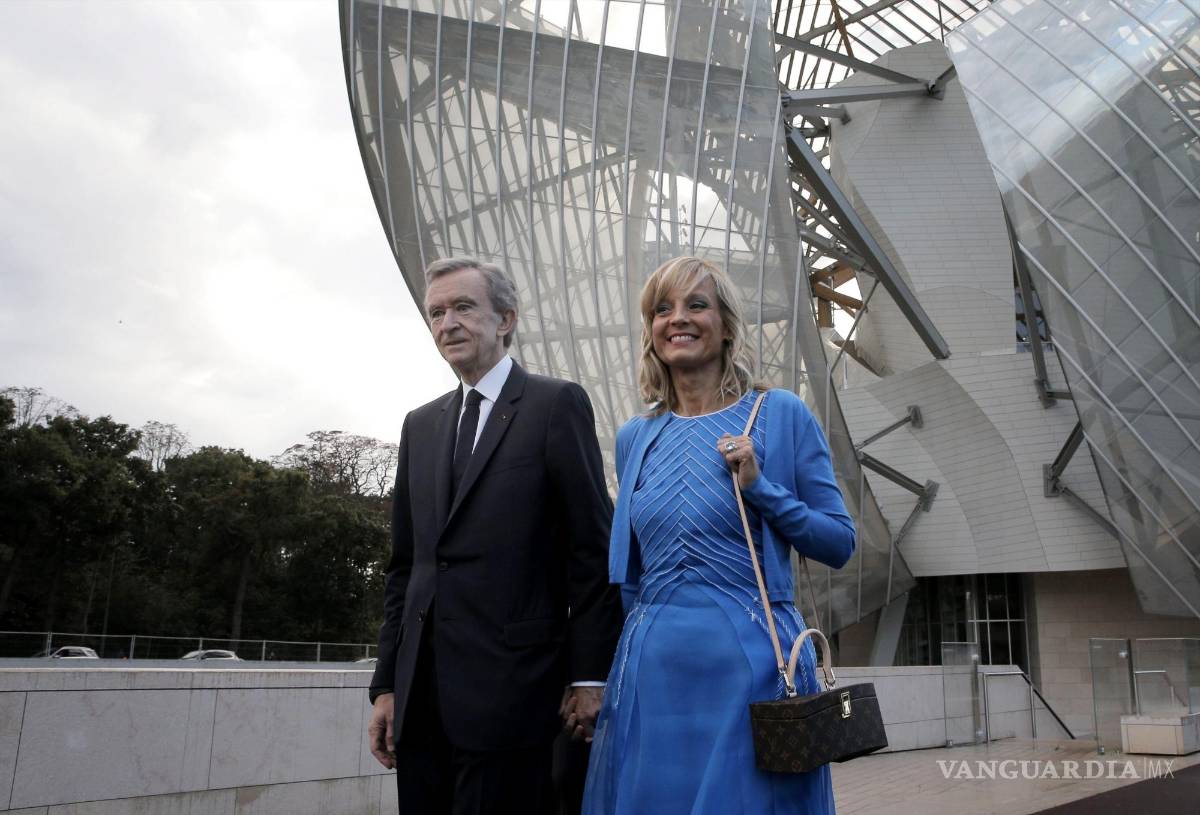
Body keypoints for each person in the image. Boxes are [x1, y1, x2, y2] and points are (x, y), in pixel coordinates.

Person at [581, 256, 856, 815]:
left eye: (695, 305)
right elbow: (629, 573)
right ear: (651, 331)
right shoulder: (636, 436)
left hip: (753, 667)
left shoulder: (778, 413)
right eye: (662, 309)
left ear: (726, 324)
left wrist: (761, 488)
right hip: (653, 671)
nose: (677, 319)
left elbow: (838, 541)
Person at [366, 257, 624, 815]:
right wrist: (386, 686)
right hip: (422, 701)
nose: (447, 323)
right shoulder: (421, 425)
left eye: (463, 307)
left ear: (506, 319)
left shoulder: (556, 405)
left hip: (516, 697)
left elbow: (593, 553)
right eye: (436, 313)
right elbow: (406, 567)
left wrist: (589, 677)